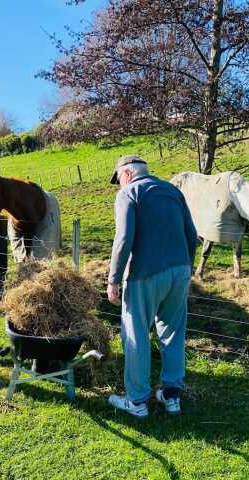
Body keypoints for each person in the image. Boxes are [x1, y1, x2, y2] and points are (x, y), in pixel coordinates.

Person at [107, 155, 197, 417]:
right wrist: (186, 268)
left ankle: (136, 401)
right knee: (173, 332)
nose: (119, 186)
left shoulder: (129, 194)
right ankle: (171, 396)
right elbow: (191, 234)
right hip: (180, 271)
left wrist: (113, 279)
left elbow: (123, 239)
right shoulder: (172, 191)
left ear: (126, 174)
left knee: (135, 334)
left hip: (145, 274)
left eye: (119, 180)